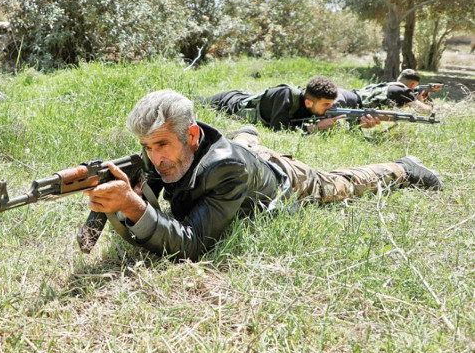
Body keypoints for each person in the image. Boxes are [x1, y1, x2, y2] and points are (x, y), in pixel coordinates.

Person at [84, 90, 442, 261]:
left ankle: (403, 167)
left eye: (162, 144)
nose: (155, 156)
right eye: (147, 146)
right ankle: (247, 135)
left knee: (340, 184)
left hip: (284, 179)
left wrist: (133, 206)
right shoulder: (164, 152)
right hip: (243, 157)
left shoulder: (226, 169)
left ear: (192, 136)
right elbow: (155, 176)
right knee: (244, 145)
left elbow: (193, 244)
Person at [202, 76, 380, 132]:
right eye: (326, 105)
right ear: (309, 102)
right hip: (228, 102)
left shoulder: (314, 105)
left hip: (243, 96)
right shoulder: (286, 96)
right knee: (197, 101)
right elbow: (279, 130)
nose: (330, 108)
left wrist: (359, 124)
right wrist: (316, 128)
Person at [336, 69, 434, 113]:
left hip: (346, 95)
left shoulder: (390, 86)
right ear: (412, 84)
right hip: (349, 100)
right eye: (414, 87)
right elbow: (426, 111)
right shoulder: (403, 91)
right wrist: (420, 100)